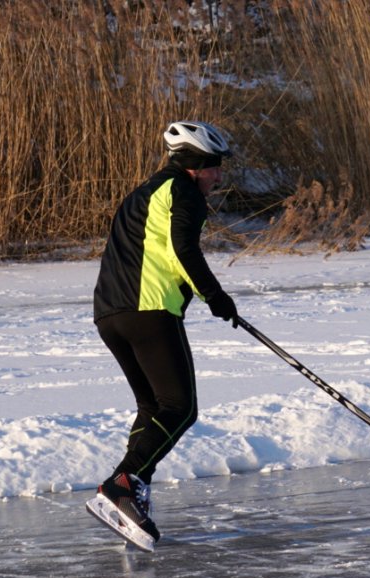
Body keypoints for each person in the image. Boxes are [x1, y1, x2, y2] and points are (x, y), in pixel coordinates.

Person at [90, 120, 238, 545]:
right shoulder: (184, 192)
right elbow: (182, 250)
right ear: (196, 165)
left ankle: (129, 495)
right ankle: (123, 484)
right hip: (149, 311)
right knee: (180, 408)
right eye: (214, 167)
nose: (218, 176)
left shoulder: (145, 192)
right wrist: (215, 296)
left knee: (153, 408)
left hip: (110, 315)